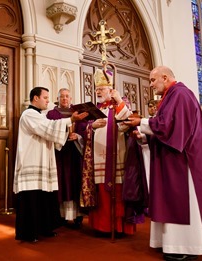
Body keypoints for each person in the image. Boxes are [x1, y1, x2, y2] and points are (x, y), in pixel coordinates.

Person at [125, 66, 202, 261]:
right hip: (175, 158)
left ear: (165, 77)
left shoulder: (180, 94)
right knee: (172, 200)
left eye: (153, 80)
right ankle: (175, 244)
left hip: (184, 162)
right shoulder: (171, 96)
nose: (151, 85)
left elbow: (170, 127)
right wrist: (145, 136)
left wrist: (141, 122)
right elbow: (165, 127)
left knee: (184, 201)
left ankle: (188, 245)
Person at [13, 86, 88, 243]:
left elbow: (50, 131)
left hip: (42, 163)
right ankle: (29, 233)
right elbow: (48, 128)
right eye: (45, 98)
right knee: (31, 199)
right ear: (35, 98)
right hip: (31, 163)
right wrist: (71, 120)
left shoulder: (39, 115)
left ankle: (43, 228)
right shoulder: (29, 115)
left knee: (43, 198)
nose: (48, 100)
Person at [81, 68, 135, 236]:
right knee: (101, 193)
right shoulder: (96, 109)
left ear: (111, 89)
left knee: (116, 193)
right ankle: (101, 227)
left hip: (116, 155)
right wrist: (91, 126)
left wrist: (119, 102)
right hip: (97, 158)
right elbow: (86, 128)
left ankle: (118, 227)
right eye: (97, 89)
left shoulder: (120, 104)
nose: (98, 91)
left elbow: (128, 123)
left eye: (102, 89)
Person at [46, 88, 86, 228]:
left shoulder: (78, 112)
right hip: (60, 153)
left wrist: (79, 136)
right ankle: (61, 215)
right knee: (62, 183)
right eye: (62, 96)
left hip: (75, 152)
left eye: (67, 96)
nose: (64, 99)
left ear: (70, 98)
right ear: (58, 98)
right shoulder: (52, 114)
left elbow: (85, 129)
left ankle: (77, 216)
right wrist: (63, 136)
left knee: (75, 182)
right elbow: (49, 131)